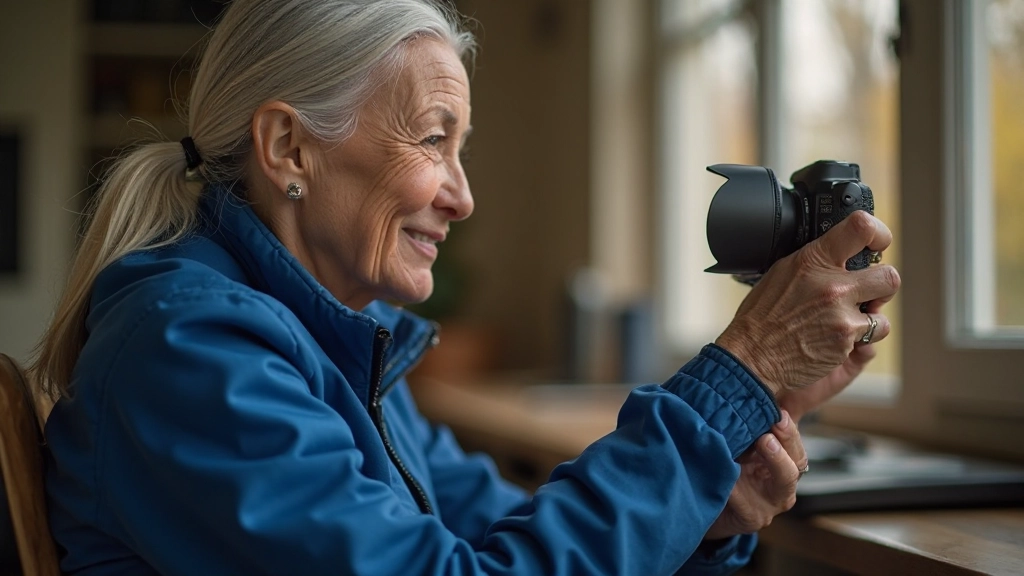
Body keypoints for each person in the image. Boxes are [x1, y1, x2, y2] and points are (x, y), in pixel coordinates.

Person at [31, 1, 900, 574]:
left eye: (463, 148)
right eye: (431, 140)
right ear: (289, 149)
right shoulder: (189, 353)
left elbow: (498, 537)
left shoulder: (330, 343)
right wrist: (737, 372)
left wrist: (704, 510)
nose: (463, 195)